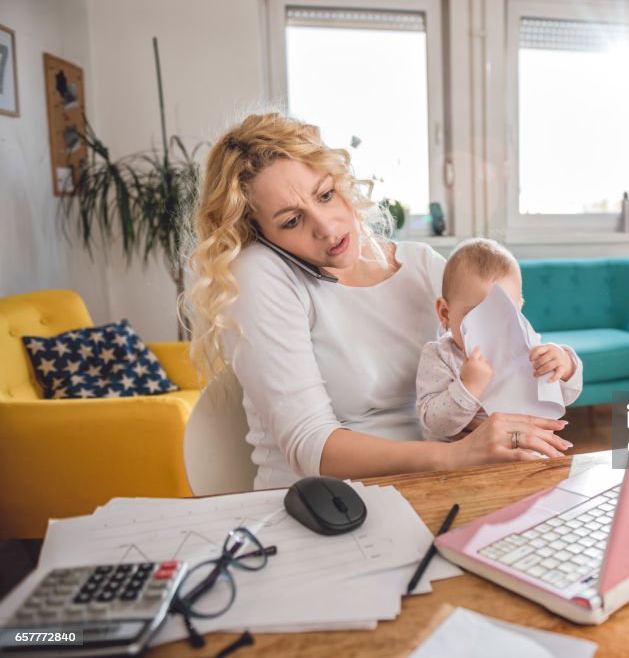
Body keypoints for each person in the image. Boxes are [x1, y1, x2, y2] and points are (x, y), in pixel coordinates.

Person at [185, 113, 571, 489]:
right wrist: (459, 455)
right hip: (326, 504)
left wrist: (544, 377)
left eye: (325, 195)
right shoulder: (261, 273)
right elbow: (310, 444)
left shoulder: (421, 265)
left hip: (439, 486)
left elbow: (514, 362)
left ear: (341, 182)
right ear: (262, 235)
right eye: (291, 221)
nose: (326, 226)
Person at [417, 238, 582, 441]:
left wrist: (565, 367)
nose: (489, 327)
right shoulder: (440, 356)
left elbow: (565, 397)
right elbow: (435, 424)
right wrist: (468, 386)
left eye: (503, 314)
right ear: (445, 313)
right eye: (474, 315)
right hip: (464, 461)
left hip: (528, 451)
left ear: (519, 309)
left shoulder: (527, 349)